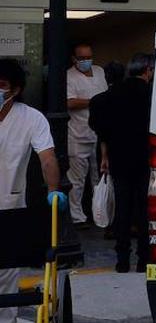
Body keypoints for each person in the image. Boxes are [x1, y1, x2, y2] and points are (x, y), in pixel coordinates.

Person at [0, 59, 64, 323]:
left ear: (16, 90)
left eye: (2, 87)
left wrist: (54, 190)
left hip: (11, 211)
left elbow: (47, 157)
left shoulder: (31, 119)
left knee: (6, 283)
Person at [92, 53, 154, 273]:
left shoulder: (110, 96)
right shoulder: (152, 95)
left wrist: (106, 155)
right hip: (146, 158)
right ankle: (144, 258)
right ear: (147, 70)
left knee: (122, 209)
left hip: (119, 158)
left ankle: (122, 259)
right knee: (144, 209)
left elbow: (100, 125)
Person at [66, 43, 107, 229]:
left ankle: (99, 214)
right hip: (78, 134)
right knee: (77, 180)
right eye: (82, 58)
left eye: (89, 57)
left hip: (100, 135)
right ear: (74, 59)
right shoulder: (69, 76)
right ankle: (77, 217)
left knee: (99, 178)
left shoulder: (99, 71)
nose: (86, 61)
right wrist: (95, 102)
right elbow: (70, 102)